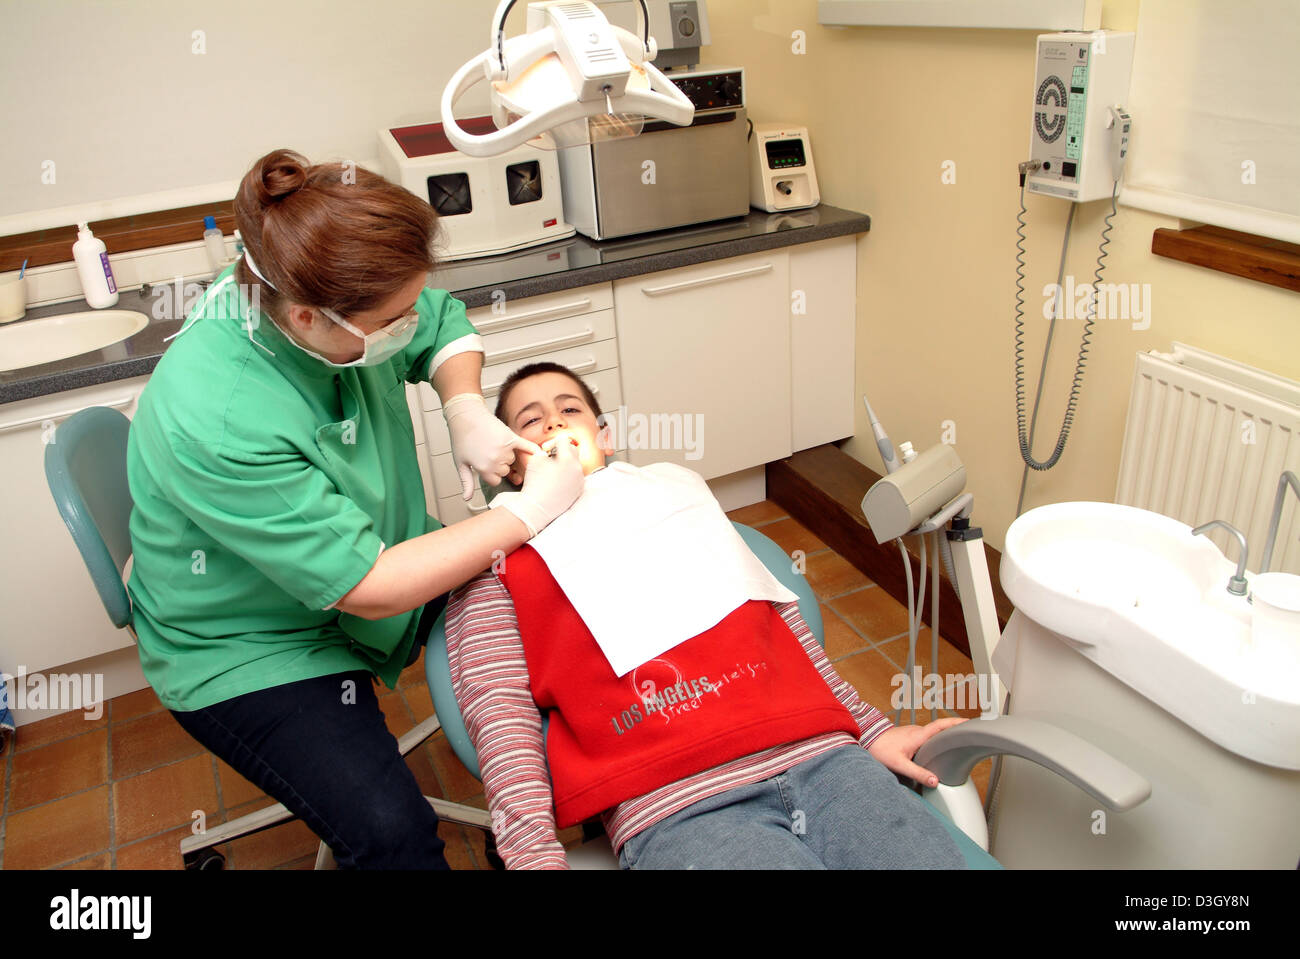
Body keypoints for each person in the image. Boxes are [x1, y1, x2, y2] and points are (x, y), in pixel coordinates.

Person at [125, 151, 584, 869]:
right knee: (390, 833)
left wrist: (463, 404)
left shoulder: (300, 280)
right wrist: (526, 514)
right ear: (309, 318)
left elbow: (439, 319)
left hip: (381, 551)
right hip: (249, 637)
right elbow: (369, 587)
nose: (410, 323)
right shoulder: (217, 416)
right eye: (392, 320)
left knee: (566, 612)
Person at [445, 361, 970, 869]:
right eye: (531, 420)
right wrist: (533, 857)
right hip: (677, 804)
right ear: (510, 461)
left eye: (570, 408)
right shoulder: (495, 556)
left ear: (604, 437)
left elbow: (780, 627)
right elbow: (501, 718)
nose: (555, 421)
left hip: (824, 759)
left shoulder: (677, 495)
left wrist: (873, 731)